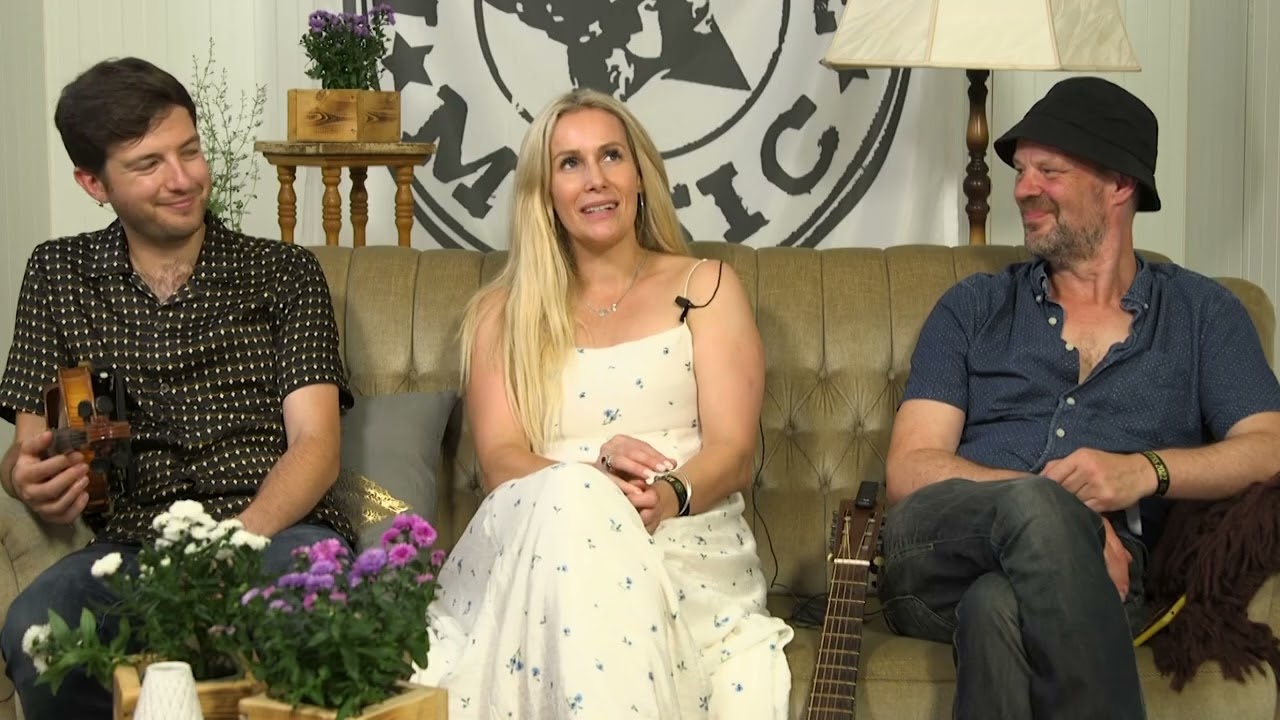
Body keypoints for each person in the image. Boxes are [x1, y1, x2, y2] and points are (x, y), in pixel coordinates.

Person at [878, 76, 1280, 720]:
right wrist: (1068, 518)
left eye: (1050, 171)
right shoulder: (974, 307)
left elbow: (1270, 448)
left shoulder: (1203, 315)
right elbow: (910, 469)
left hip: (1100, 582)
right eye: (1021, 170)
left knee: (997, 609)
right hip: (937, 555)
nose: (1022, 188)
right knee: (1035, 509)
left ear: (1119, 184)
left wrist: (1144, 471)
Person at [409, 88, 793, 718]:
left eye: (611, 156)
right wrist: (592, 487)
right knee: (572, 500)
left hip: (683, 536)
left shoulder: (705, 286)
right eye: (570, 163)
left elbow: (733, 450)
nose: (596, 179)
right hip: (545, 541)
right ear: (544, 193)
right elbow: (501, 460)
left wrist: (666, 494)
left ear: (640, 175)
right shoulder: (501, 314)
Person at [0, 57, 355, 718]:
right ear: (93, 182)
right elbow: (30, 450)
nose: (184, 178)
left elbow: (317, 445)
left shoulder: (283, 272)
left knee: (313, 608)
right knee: (37, 628)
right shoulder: (57, 274)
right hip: (131, 552)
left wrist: (235, 543)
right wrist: (27, 479)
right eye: (149, 164)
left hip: (273, 534)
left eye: (189, 151)